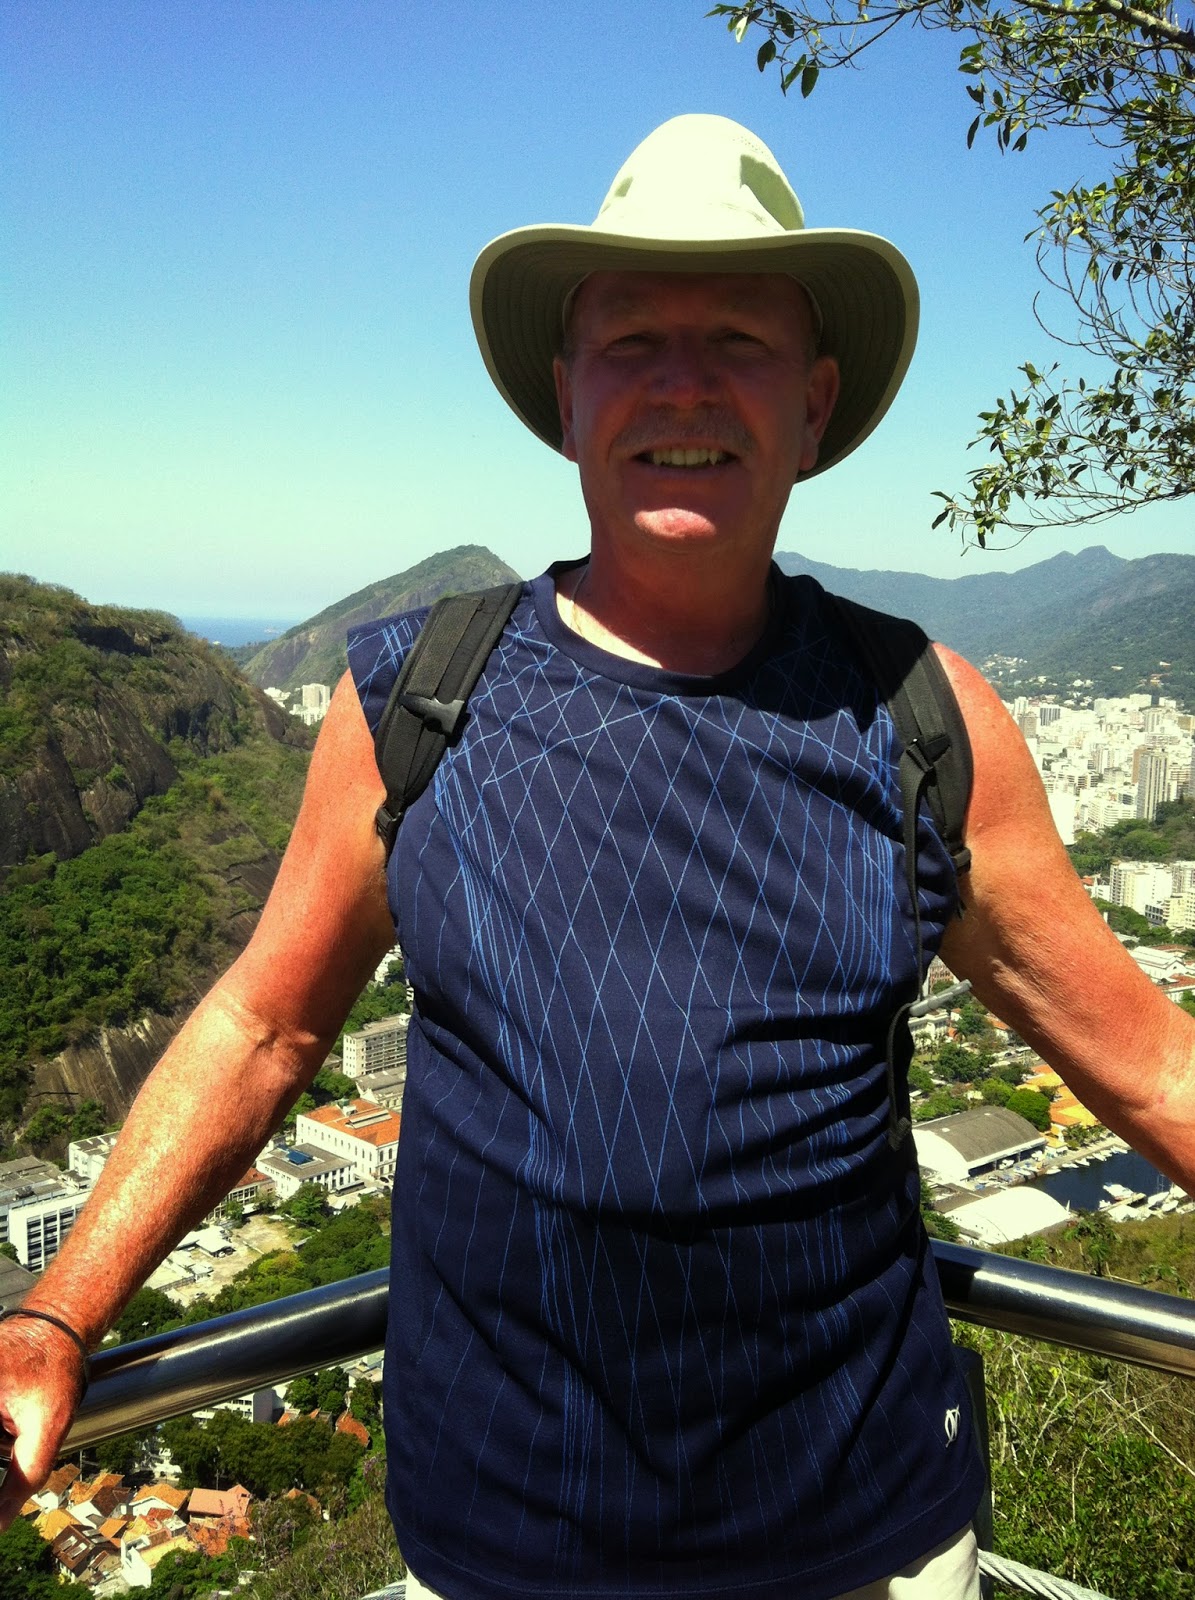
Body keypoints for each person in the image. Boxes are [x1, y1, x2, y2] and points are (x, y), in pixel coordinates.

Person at [3, 113, 1193, 1600]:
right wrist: (55, 1315)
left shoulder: (921, 718)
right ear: (566, 398)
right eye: (632, 340)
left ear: (815, 403)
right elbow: (263, 1027)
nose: (683, 383)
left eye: (739, 339)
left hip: (864, 1541)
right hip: (504, 1547)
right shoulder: (416, 700)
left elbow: (1147, 1064)